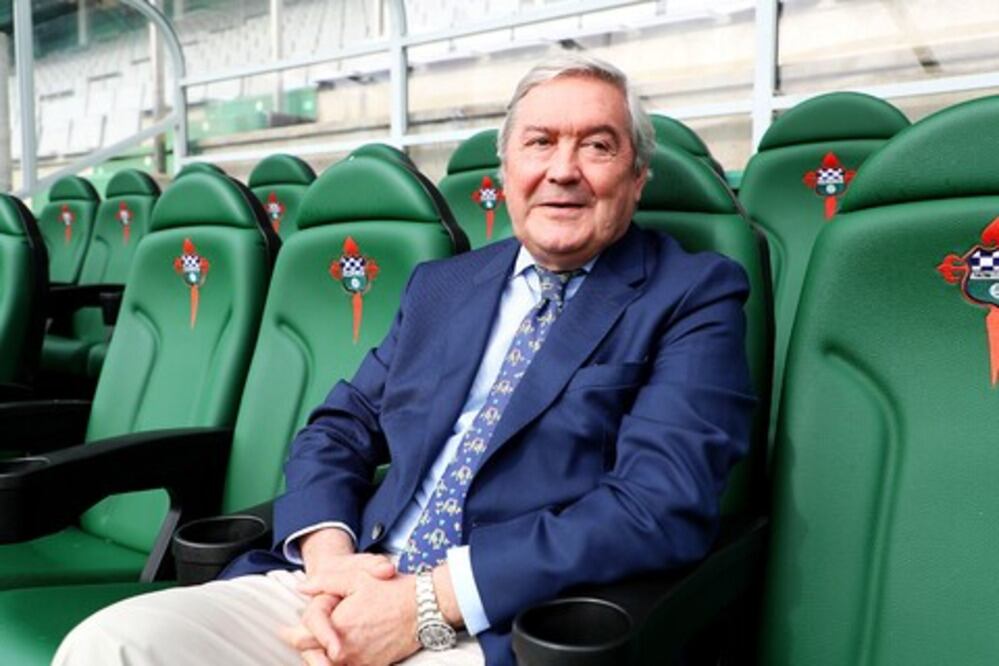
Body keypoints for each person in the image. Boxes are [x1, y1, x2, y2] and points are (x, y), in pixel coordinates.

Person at [54, 53, 754, 666]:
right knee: (112, 645)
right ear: (507, 170)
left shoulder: (693, 294)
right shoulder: (443, 287)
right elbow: (339, 426)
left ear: (636, 177)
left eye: (597, 146)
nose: (562, 170)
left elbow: (656, 504)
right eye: (539, 142)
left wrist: (425, 603)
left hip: (502, 618)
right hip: (351, 578)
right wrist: (330, 560)